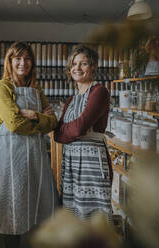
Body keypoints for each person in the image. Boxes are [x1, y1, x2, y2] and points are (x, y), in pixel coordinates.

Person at [0, 41, 59, 248]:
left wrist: (32, 114)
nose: (22, 63)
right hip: (9, 158)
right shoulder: (2, 87)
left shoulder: (36, 89)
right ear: (9, 61)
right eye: (17, 58)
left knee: (35, 206)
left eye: (27, 58)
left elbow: (53, 122)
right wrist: (39, 121)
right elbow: (14, 123)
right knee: (12, 210)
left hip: (35, 157)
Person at [54, 44, 113, 222]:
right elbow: (57, 135)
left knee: (94, 220)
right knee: (73, 219)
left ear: (93, 66)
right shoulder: (71, 99)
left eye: (83, 64)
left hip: (92, 165)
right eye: (74, 64)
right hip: (71, 165)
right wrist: (68, 130)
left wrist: (67, 130)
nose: (77, 68)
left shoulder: (99, 92)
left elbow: (79, 127)